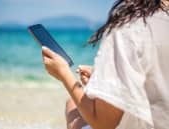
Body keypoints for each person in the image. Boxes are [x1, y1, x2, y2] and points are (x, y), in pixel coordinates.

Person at [41, 0, 169, 129]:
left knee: (72, 107)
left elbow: (103, 124)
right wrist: (103, 77)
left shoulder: (130, 29)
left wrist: (64, 73)